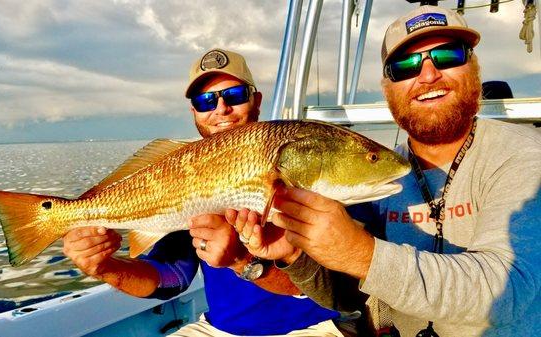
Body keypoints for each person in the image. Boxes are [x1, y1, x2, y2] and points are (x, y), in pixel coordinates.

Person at [230, 5, 541, 336]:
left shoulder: (523, 154)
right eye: (404, 66)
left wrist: (364, 255)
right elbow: (347, 295)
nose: (428, 74)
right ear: (387, 88)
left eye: (448, 55)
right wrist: (295, 254)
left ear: (474, 67)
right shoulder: (377, 177)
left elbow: (509, 288)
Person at [62, 48, 352, 336]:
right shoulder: (184, 173)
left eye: (235, 95)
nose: (221, 109)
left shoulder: (307, 167)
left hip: (314, 327)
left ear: (256, 100)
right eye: (205, 101)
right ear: (194, 113)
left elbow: (339, 288)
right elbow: (170, 277)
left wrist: (241, 260)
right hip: (219, 330)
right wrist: (103, 266)